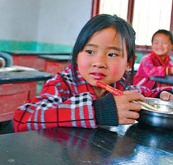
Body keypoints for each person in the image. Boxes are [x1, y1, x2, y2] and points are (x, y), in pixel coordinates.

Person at [14, 14, 173, 132]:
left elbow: (145, 94)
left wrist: (163, 96)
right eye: (90, 51)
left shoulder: (121, 87)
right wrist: (99, 111)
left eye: (112, 54)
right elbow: (23, 119)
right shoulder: (62, 85)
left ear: (129, 63)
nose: (99, 62)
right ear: (77, 56)